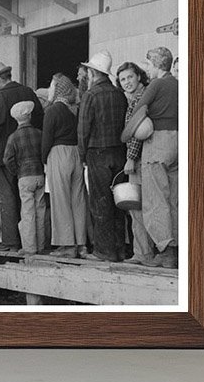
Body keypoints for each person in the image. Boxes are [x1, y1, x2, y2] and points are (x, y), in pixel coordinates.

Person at [125, 46, 179, 268]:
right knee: (174, 199)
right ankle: (176, 249)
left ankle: (165, 250)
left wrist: (127, 134)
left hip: (156, 142)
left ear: (156, 64)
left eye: (147, 64)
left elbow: (139, 109)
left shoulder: (157, 84)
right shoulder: (178, 84)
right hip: (177, 140)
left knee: (155, 199)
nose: (146, 68)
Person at [0, 62, 44, 251]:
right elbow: (41, 119)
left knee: (7, 197)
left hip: (5, 155)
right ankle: (37, 242)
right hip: (31, 156)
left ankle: (11, 241)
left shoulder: (0, 97)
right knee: (32, 203)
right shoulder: (28, 92)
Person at [77, 50, 128, 261]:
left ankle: (103, 251)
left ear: (93, 72)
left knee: (100, 202)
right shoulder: (119, 93)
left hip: (97, 154)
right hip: (119, 153)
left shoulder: (90, 95)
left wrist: (82, 155)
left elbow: (83, 130)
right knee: (118, 202)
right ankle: (120, 249)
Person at [42, 72, 87, 258]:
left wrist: (44, 159)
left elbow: (46, 139)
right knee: (78, 200)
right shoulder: (75, 109)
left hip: (58, 153)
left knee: (60, 200)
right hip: (76, 152)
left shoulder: (52, 110)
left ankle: (67, 245)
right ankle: (81, 244)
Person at [116, 61, 156, 265]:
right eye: (123, 79)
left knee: (137, 205)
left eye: (130, 77)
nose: (127, 82)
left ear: (139, 77)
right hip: (145, 156)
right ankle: (146, 251)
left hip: (139, 158)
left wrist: (131, 158)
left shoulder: (140, 99)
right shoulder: (137, 97)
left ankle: (143, 252)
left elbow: (137, 133)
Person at [3, 100, 46, 256]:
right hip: (40, 175)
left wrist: (17, 171)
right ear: (29, 115)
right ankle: (41, 246)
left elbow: (7, 159)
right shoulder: (40, 133)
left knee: (27, 212)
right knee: (40, 210)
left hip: (24, 176)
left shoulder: (13, 137)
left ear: (16, 119)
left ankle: (29, 247)